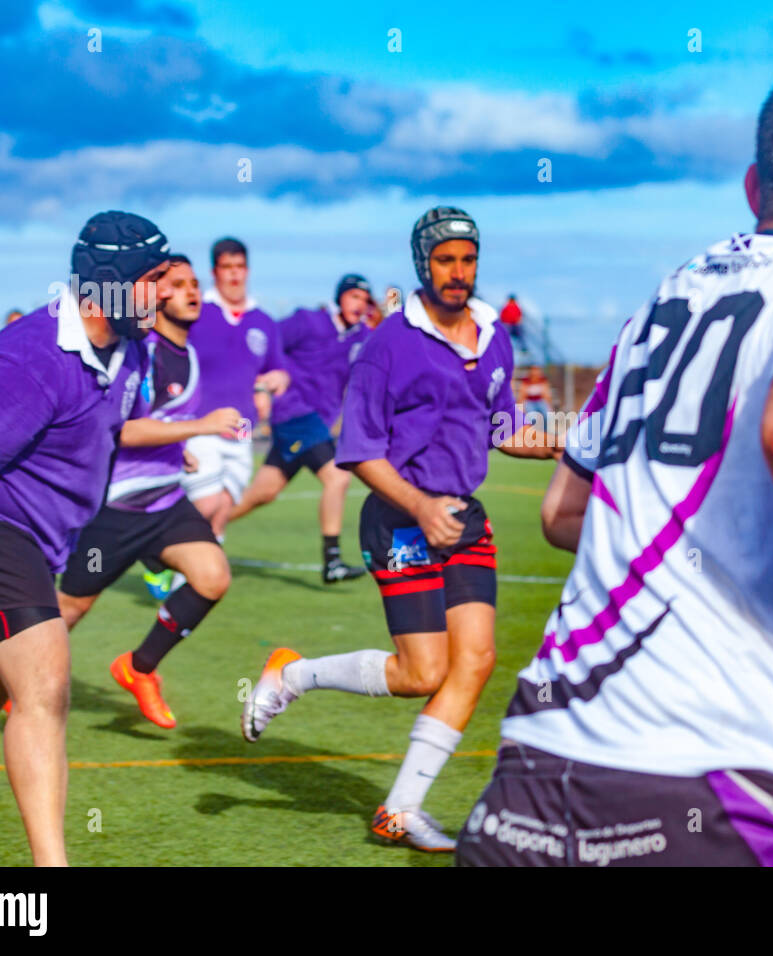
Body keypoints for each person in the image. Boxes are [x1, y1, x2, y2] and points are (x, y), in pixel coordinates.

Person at [456, 57, 773, 867]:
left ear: (753, 187)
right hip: (695, 807)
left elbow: (565, 514)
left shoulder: (666, 299)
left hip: (523, 796)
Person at [241, 207, 559, 852]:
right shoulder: (389, 344)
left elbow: (504, 429)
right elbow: (359, 450)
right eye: (446, 261)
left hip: (464, 519)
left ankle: (400, 810)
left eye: (468, 260)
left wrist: (564, 440)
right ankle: (293, 674)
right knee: (421, 673)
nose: (459, 273)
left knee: (476, 660)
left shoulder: (494, 333)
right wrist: (419, 507)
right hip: (400, 520)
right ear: (423, 264)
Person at [0, 211, 171, 866]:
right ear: (108, 283)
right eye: (154, 278)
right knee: (44, 683)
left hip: (33, 538)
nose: (164, 291)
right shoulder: (32, 359)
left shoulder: (131, 349)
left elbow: (104, 432)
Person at [57, 255, 241, 728]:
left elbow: (163, 423)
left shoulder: (189, 355)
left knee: (212, 576)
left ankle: (139, 668)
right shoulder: (144, 353)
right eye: (178, 285)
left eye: (195, 284)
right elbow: (120, 430)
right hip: (115, 508)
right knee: (70, 609)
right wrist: (201, 427)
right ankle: (11, 679)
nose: (191, 291)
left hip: (164, 502)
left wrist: (179, 450)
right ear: (158, 297)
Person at [144, 238, 289, 598]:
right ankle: (172, 574)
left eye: (240, 267)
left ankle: (185, 578)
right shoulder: (197, 311)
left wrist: (275, 381)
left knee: (224, 507)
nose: (234, 275)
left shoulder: (263, 322)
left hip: (241, 432)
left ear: (248, 271)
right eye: (227, 268)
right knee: (206, 504)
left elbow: (279, 370)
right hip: (199, 425)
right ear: (215, 272)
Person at [227, 273, 373, 584]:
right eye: (354, 297)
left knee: (262, 493)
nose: (359, 305)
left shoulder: (362, 339)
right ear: (340, 297)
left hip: (315, 423)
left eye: (364, 300)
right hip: (292, 411)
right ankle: (332, 560)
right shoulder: (308, 321)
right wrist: (258, 385)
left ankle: (193, 529)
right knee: (338, 476)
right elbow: (266, 343)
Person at [517, 364, 552, 430]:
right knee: (532, 417)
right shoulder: (526, 380)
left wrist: (549, 406)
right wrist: (521, 407)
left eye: (537, 370)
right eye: (534, 370)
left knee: (546, 415)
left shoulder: (543, 380)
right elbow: (522, 396)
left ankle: (544, 431)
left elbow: (546, 395)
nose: (536, 372)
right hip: (529, 402)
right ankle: (533, 432)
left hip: (540, 401)